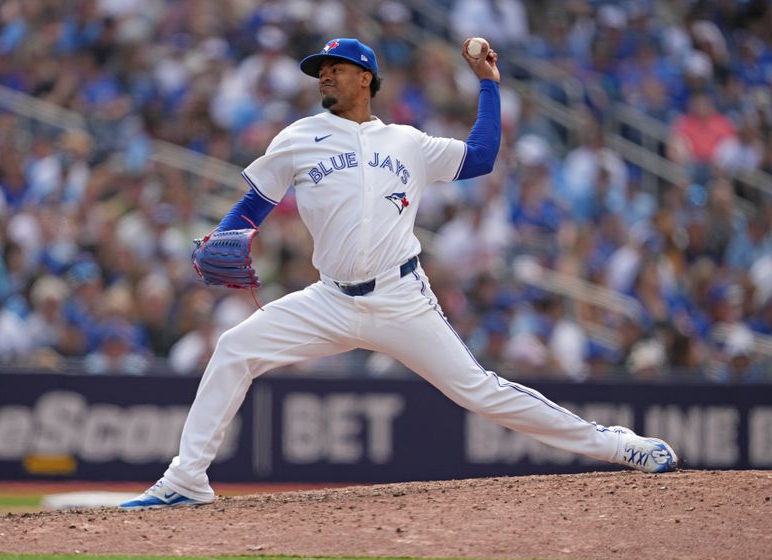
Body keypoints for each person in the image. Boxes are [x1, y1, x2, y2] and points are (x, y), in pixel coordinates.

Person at [121, 37, 678, 509]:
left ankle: (612, 444)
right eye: (321, 72)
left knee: (479, 391)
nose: (325, 78)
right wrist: (221, 236)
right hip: (329, 300)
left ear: (366, 78)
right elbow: (251, 206)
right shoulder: (297, 138)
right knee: (234, 348)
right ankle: (186, 479)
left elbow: (480, 156)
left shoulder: (407, 142)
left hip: (401, 297)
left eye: (336, 70)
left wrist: (488, 84)